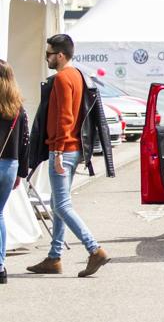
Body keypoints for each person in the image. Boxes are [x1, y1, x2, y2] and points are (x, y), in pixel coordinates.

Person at [26, 34, 114, 277]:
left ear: (60, 55)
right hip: (71, 149)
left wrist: (56, 151)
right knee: (57, 204)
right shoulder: (77, 75)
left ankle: (94, 249)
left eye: (49, 54)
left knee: (61, 205)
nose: (47, 58)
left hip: (63, 150)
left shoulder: (64, 78)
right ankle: (54, 257)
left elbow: (65, 118)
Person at [0, 60, 30, 284]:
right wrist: (21, 171)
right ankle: (0, 265)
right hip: (10, 165)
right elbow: (25, 142)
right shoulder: (18, 106)